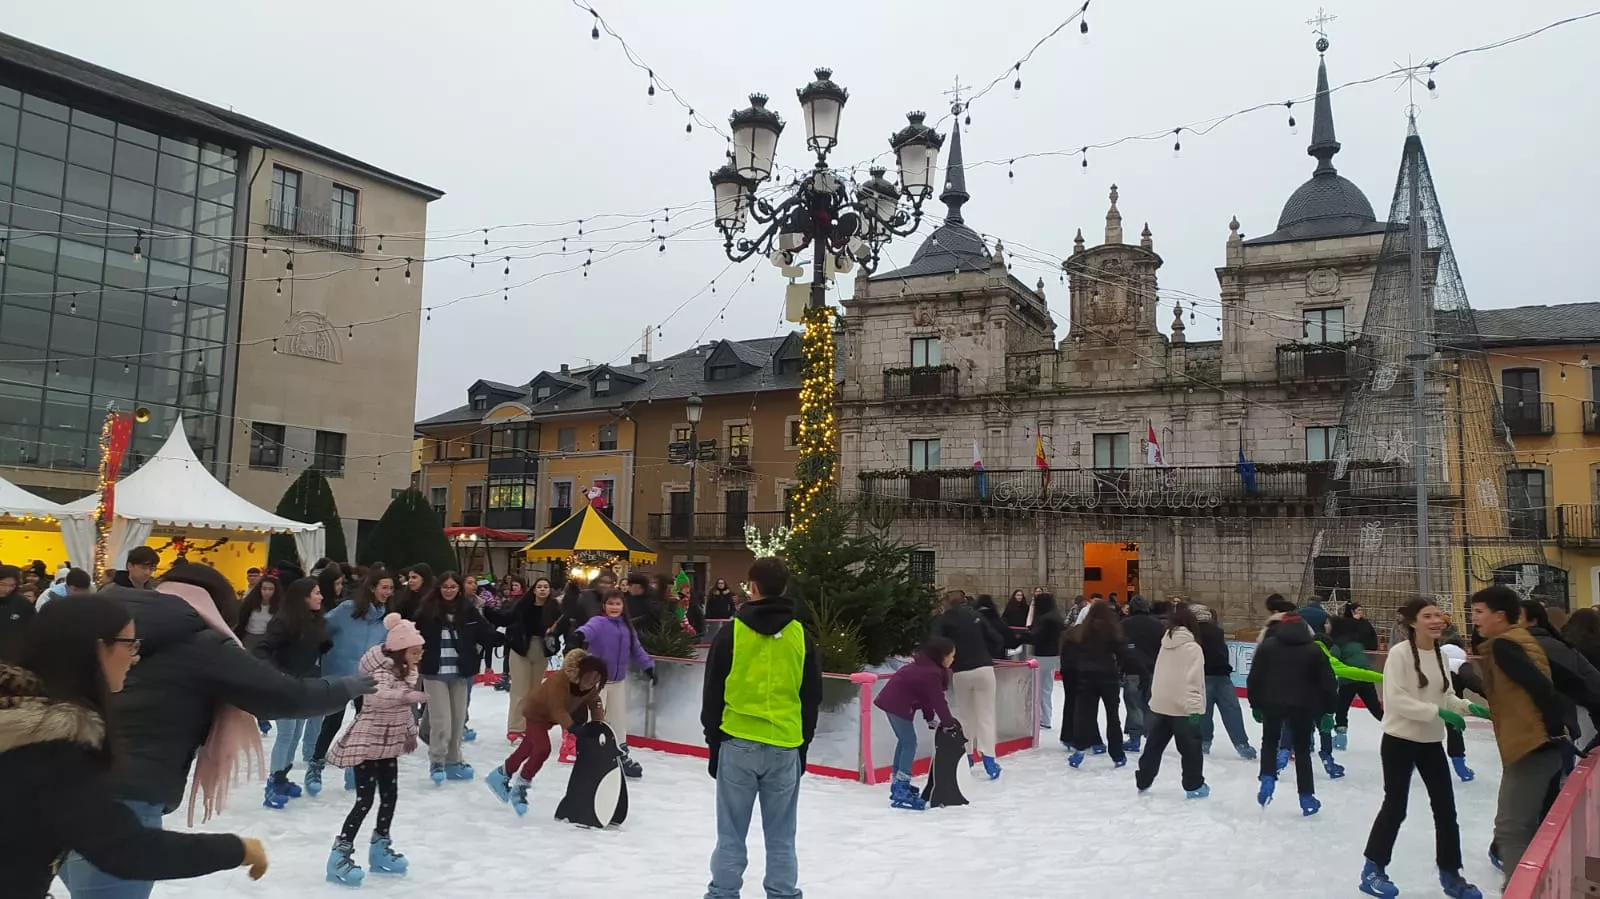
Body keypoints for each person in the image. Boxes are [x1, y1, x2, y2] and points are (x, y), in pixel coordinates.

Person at [59, 561, 372, 899]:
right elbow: (283, 696)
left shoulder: (101, 627)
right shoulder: (200, 643)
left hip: (53, 790)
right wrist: (347, 686)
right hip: (125, 800)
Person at [1, 595, 269, 897]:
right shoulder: (51, 746)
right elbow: (124, 848)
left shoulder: (16, 712)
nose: (135, 657)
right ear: (98, 647)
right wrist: (237, 849)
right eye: (129, 644)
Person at [701, 556, 822, 899]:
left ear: (752, 587)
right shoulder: (801, 635)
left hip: (737, 743)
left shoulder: (732, 632)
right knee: (782, 835)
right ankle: (783, 893)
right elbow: (812, 696)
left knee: (730, 833)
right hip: (784, 744)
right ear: (784, 588)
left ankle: (723, 892)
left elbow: (713, 692)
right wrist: (803, 747)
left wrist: (714, 744)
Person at [1359, 597, 1487, 899]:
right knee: (1396, 807)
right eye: (1427, 616)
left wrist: (1469, 707)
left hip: (1431, 743)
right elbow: (1397, 699)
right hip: (1399, 741)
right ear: (1413, 622)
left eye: (1438, 615)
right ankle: (1372, 869)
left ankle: (1450, 874)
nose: (1436, 621)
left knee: (1446, 810)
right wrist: (1437, 713)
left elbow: (1446, 696)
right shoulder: (1400, 655)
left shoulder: (1442, 656)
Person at [324, 614, 428, 885]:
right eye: (415, 651)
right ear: (400, 651)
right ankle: (339, 855)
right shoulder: (380, 672)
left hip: (389, 745)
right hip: (368, 742)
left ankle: (380, 847)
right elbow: (377, 697)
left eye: (420, 651)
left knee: (390, 796)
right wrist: (406, 696)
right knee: (365, 800)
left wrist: (409, 734)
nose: (419, 656)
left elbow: (404, 711)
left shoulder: (406, 671)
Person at [486, 648, 608, 816]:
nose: (592, 682)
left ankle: (501, 774)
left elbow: (595, 703)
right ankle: (521, 785)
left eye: (596, 679)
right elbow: (557, 709)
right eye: (589, 678)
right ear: (580, 672)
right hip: (536, 713)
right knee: (542, 748)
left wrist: (598, 725)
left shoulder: (589, 687)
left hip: (549, 718)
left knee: (527, 748)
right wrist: (572, 728)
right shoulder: (561, 681)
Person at [308, 567, 395, 796]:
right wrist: (319, 652)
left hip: (365, 679)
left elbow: (384, 649)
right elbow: (322, 627)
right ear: (372, 588)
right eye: (384, 587)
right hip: (338, 675)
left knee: (362, 724)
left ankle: (354, 769)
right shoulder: (347, 610)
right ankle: (316, 765)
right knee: (332, 722)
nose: (388, 592)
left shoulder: (385, 618)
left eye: (391, 588)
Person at [413, 570, 500, 784]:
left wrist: (505, 639)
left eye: (453, 587)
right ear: (438, 588)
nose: (449, 591)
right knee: (442, 718)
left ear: (459, 589)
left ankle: (453, 760)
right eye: (445, 587)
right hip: (435, 671)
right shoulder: (427, 611)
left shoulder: (468, 611)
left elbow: (485, 632)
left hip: (460, 672)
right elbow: (414, 635)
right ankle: (437, 760)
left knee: (458, 718)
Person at [1247, 612, 1336, 816]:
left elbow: (1255, 677)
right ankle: (1306, 796)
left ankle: (1267, 777)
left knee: (1269, 742)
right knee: (1303, 751)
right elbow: (1328, 683)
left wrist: (1256, 704)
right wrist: (1328, 711)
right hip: (1304, 705)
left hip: (1272, 703)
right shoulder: (1314, 650)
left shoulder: (1268, 646)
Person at [254, 577, 331, 808]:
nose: (321, 596)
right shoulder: (284, 621)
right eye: (316, 593)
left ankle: (282, 776)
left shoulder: (315, 620)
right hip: (285, 684)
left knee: (296, 733)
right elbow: (262, 650)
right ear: (303, 597)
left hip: (306, 683)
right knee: (286, 734)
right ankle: (273, 783)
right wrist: (276, 676)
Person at [573, 587, 656, 778]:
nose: (614, 607)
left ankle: (621, 756)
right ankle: (590, 756)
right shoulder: (599, 622)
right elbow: (587, 630)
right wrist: (579, 636)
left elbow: (637, 649)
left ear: (622, 606)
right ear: (604, 605)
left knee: (618, 720)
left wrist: (648, 667)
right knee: (595, 719)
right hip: (597, 681)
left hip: (618, 682)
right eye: (610, 603)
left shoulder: (627, 627)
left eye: (618, 603)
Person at [872, 636, 957, 810]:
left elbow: (926, 698)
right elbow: (937, 700)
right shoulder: (931, 672)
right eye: (951, 655)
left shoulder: (927, 668)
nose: (953, 659)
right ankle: (901, 785)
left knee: (904, 742)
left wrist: (929, 718)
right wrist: (948, 723)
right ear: (942, 656)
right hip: (896, 704)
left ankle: (898, 783)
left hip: (892, 702)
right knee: (909, 742)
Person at [1062, 600, 1148, 770]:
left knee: (1085, 717)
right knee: (1112, 717)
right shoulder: (1112, 631)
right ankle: (1117, 755)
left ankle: (1079, 751)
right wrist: (1139, 671)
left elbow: (1072, 655)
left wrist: (1074, 672)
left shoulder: (1081, 633)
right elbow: (1125, 654)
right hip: (1108, 678)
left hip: (1086, 679)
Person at [1135, 603, 1209, 798]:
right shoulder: (1193, 648)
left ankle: (1143, 779)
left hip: (1161, 704)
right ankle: (1193, 786)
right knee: (1191, 748)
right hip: (1184, 709)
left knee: (1154, 745)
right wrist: (1195, 710)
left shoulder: (1165, 644)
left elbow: (1160, 674)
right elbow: (1193, 681)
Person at [933, 590, 1006, 779]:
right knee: (986, 715)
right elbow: (997, 639)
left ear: (947, 603)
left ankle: (967, 755)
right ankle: (989, 758)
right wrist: (985, 652)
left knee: (966, 715)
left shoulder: (945, 620)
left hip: (961, 671)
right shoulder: (977, 615)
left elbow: (936, 642)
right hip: (984, 668)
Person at [490, 575, 558, 744]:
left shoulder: (555, 608)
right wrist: (488, 611)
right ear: (534, 589)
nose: (542, 589)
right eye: (539, 586)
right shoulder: (523, 604)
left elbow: (564, 625)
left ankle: (531, 727)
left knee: (535, 692)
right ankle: (515, 728)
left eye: (545, 587)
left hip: (541, 650)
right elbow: (506, 618)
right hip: (521, 649)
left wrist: (555, 633)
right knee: (519, 690)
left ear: (550, 591)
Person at [1189, 604, 1256, 759]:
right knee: (1232, 710)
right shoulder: (1218, 631)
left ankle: (1204, 742)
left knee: (1204, 712)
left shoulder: (1193, 633)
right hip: (1223, 676)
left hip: (1203, 676)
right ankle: (1242, 744)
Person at [1329, 610, 1384, 750]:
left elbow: (1332, 659)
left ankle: (1341, 738)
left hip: (1348, 679)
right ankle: (1395, 728)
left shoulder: (1336, 644)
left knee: (1342, 708)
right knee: (1375, 708)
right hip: (1365, 676)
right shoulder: (1356, 642)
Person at [1121, 595, 1164, 752]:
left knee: (1134, 704)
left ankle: (1135, 737)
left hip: (1132, 669)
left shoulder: (1125, 624)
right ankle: (1151, 735)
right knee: (1150, 704)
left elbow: (1121, 647)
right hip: (1152, 669)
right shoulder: (1158, 625)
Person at [1026, 593, 1066, 730]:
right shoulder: (1057, 617)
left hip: (1042, 655)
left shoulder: (1044, 619)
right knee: (1047, 688)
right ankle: (1046, 717)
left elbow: (1036, 637)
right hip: (1054, 655)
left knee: (1038, 688)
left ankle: (1041, 718)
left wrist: (1025, 635)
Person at [0, 563, 34, 661]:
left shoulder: (23, 604)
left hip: (14, 660)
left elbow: (32, 630)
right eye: (2, 584)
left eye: (12, 585)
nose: (6, 589)